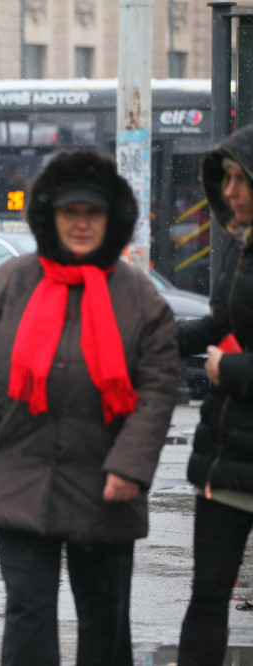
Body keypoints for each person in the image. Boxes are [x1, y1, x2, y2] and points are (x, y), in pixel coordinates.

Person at [0, 149, 179, 666]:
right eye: (70, 212)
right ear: (50, 218)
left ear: (111, 219)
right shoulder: (12, 281)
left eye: (92, 213)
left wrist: (131, 467)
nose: (81, 224)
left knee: (105, 620)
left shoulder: (139, 296)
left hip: (107, 485)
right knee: (27, 615)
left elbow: (158, 391)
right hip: (19, 478)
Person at [177, 124, 253, 666]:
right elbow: (222, 321)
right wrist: (152, 335)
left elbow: (232, 350)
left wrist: (233, 370)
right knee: (208, 598)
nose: (228, 191)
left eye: (238, 179)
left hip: (235, 440)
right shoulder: (240, 248)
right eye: (224, 179)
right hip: (227, 456)